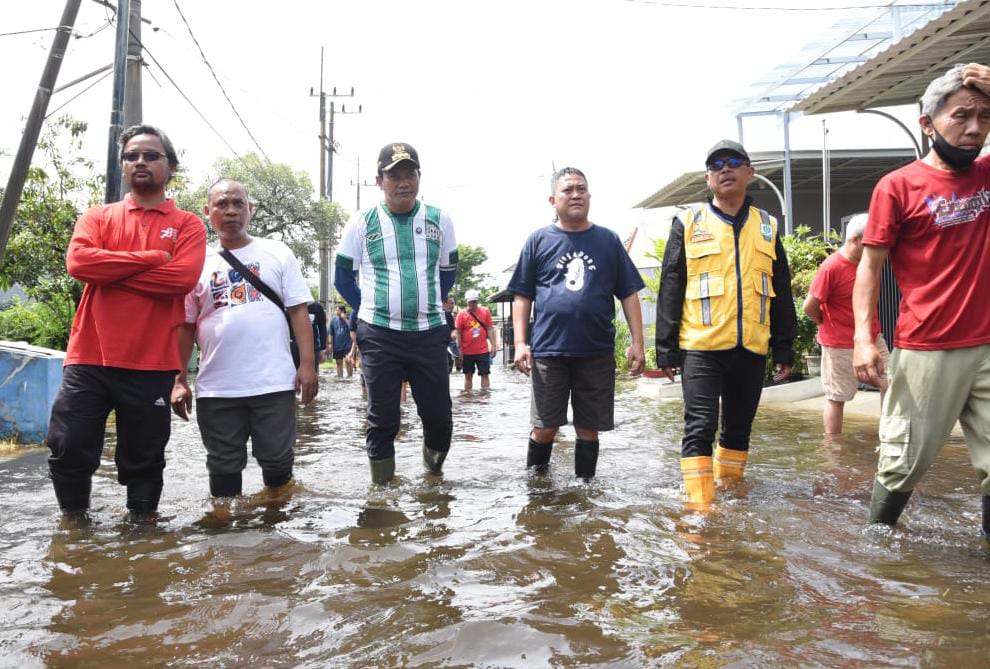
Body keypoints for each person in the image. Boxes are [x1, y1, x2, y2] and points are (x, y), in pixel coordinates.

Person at [853, 63, 990, 532]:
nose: (974, 129)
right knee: (904, 458)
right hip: (929, 347)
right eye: (961, 116)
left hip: (988, 344)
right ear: (928, 124)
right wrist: (863, 339)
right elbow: (869, 267)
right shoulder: (898, 186)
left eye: (984, 117)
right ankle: (876, 545)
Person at [45, 124, 207, 516]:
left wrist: (110, 272)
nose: (140, 162)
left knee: (144, 460)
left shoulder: (188, 224)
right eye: (131, 156)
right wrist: (152, 259)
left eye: (151, 155)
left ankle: (142, 535)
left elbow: (181, 280)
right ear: (123, 165)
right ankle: (74, 530)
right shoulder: (98, 216)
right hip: (89, 358)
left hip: (151, 364)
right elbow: (79, 263)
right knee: (67, 447)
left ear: (171, 166)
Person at [656, 139, 797, 508]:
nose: (725, 169)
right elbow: (671, 286)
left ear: (750, 172)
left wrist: (784, 346)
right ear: (708, 178)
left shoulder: (767, 226)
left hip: (751, 346)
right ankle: (700, 510)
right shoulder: (688, 223)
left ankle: (731, 497)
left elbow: (781, 288)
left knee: (738, 429)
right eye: (716, 165)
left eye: (733, 162)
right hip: (700, 346)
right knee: (700, 426)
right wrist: (666, 349)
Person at [171, 178, 318, 498]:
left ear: (250, 209)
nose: (231, 211)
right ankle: (225, 525)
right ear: (207, 211)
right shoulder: (195, 263)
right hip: (217, 389)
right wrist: (179, 380)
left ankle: (275, 522)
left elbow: (298, 312)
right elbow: (185, 325)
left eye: (238, 204)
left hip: (274, 384)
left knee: (278, 465)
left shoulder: (277, 252)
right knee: (222, 469)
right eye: (222, 204)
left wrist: (308, 365)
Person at [508, 167, 645, 479]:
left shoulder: (608, 240)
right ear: (552, 199)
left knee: (589, 429)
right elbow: (522, 296)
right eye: (567, 190)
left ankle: (585, 490)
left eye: (581, 189)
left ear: (590, 196)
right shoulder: (538, 240)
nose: (575, 195)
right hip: (549, 351)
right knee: (545, 427)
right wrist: (520, 343)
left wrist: (638, 343)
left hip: (596, 351)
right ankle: (537, 489)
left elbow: (628, 293)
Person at [335, 142, 458, 484]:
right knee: (382, 419)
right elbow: (342, 277)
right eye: (394, 176)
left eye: (409, 174)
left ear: (419, 177)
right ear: (380, 181)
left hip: (429, 332)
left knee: (439, 418)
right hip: (379, 334)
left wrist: (428, 302)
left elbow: (448, 271)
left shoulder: (439, 219)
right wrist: (368, 308)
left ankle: (433, 480)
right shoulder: (362, 222)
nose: (403, 182)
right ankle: (382, 493)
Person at [803, 213, 889, 435]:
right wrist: (826, 324)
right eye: (871, 241)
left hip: (872, 338)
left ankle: (889, 435)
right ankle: (833, 447)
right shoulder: (831, 267)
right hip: (839, 343)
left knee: (891, 383)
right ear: (856, 240)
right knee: (837, 396)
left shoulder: (869, 263)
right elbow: (809, 306)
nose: (877, 246)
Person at [454, 289, 497, 390]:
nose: (472, 304)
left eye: (474, 301)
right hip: (467, 351)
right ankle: (468, 396)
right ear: (467, 301)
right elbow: (458, 332)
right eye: (470, 302)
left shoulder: (485, 311)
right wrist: (459, 350)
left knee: (485, 374)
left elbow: (490, 329)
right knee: (468, 375)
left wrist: (493, 346)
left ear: (477, 301)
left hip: (483, 350)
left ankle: (485, 396)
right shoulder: (461, 314)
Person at [330, 305, 354, 377]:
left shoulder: (349, 318)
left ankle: (350, 377)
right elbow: (331, 333)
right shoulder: (333, 320)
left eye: (338, 310)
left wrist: (345, 319)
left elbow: (352, 328)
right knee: (338, 362)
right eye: (336, 310)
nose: (336, 311)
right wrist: (330, 344)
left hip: (347, 345)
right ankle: (340, 378)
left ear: (343, 311)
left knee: (348, 361)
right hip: (337, 345)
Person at [308, 301, 328, 373]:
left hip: (313, 347)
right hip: (291, 345)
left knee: (312, 372)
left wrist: (323, 350)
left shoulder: (316, 307)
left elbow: (322, 329)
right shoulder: (288, 305)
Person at [443, 295, 462, 372]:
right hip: (445, 343)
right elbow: (452, 329)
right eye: (451, 303)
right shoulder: (446, 314)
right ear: (444, 303)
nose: (453, 305)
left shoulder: (449, 314)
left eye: (453, 303)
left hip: (449, 342)